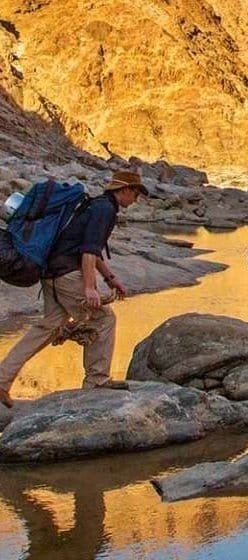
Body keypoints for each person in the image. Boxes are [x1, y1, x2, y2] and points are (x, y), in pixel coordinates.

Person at [0, 170, 149, 408]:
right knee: (103, 318)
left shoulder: (95, 205)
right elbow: (88, 251)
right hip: (67, 275)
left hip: (50, 272)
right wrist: (90, 288)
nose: (135, 200)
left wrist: (110, 278)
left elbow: (92, 249)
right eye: (136, 194)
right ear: (124, 190)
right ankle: (97, 380)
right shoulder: (105, 210)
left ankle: (2, 379)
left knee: (48, 326)